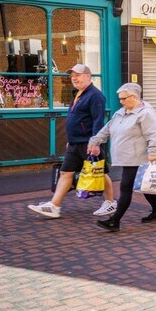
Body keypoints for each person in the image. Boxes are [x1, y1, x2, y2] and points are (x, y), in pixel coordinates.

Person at [28, 64, 115, 219]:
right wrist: (71, 139)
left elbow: (98, 121)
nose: (74, 78)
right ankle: (54, 206)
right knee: (65, 172)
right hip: (75, 142)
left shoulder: (96, 96)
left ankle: (110, 202)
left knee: (100, 171)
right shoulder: (77, 93)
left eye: (78, 75)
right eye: (72, 76)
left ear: (88, 76)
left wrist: (95, 143)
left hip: (88, 142)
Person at [88, 83, 156, 232]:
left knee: (125, 187)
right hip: (127, 156)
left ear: (134, 97)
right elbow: (107, 129)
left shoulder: (145, 114)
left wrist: (153, 151)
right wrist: (95, 140)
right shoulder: (120, 113)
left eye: (124, 98)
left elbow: (154, 133)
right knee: (145, 186)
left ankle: (114, 221)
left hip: (137, 157)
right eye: (120, 99)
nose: (121, 101)